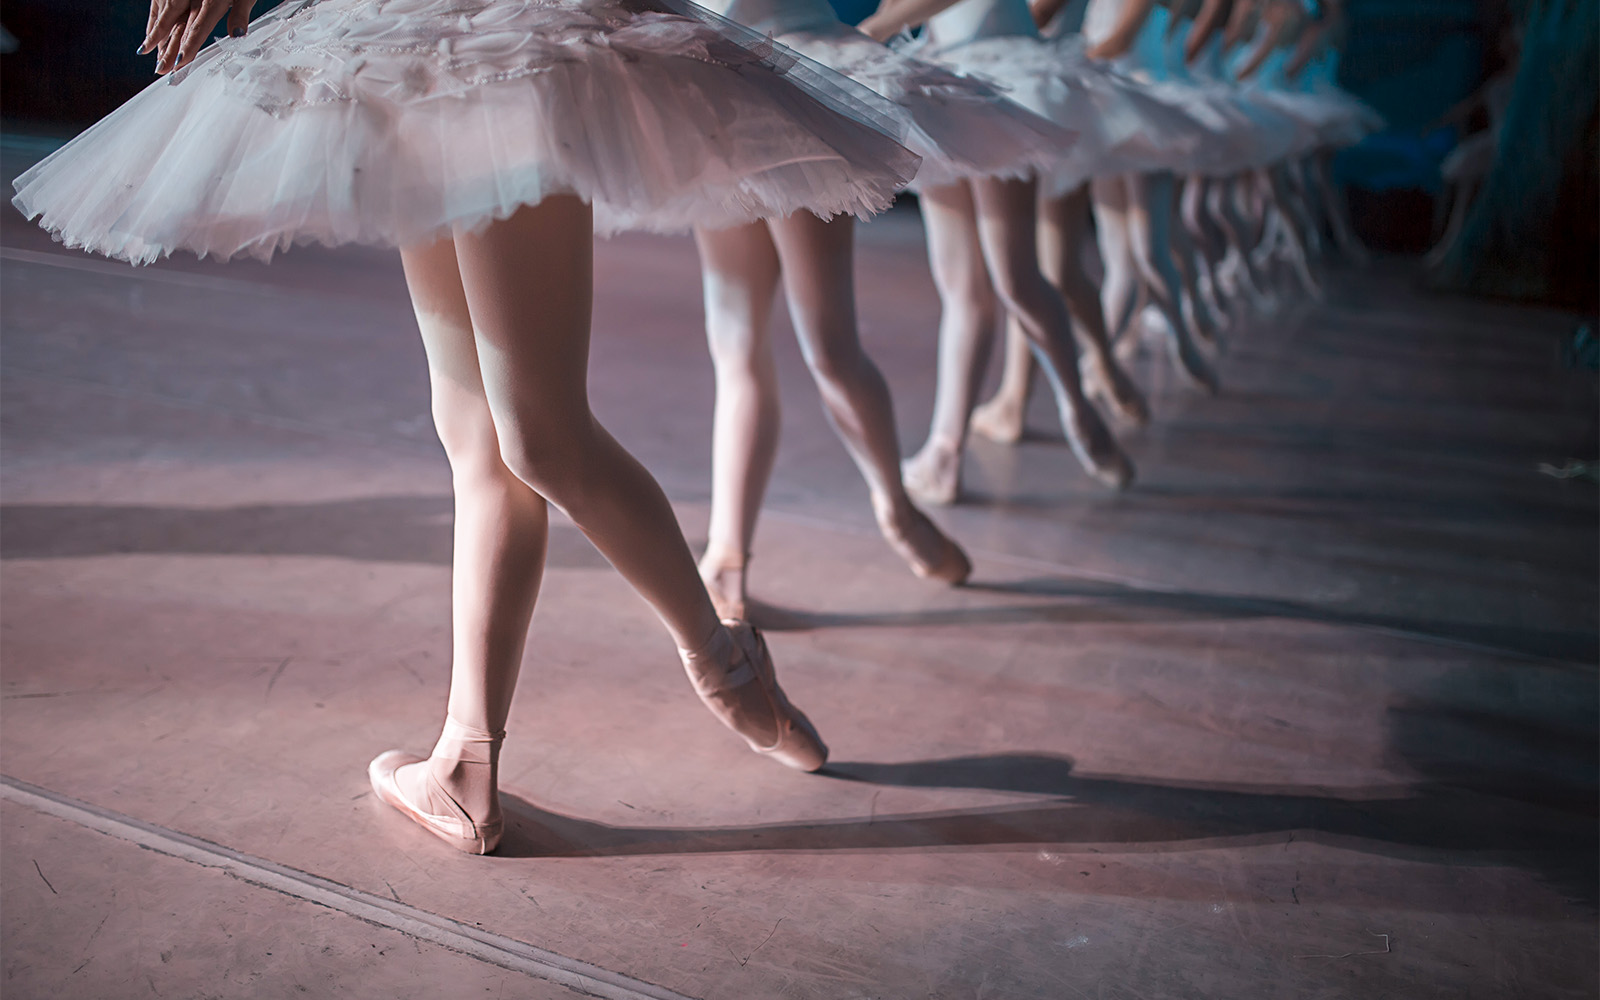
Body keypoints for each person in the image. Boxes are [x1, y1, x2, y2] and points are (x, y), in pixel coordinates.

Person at [15, 0, 925, 854]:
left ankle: (725, 665)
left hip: (508, 42)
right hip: (406, 35)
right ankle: (467, 762)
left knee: (539, 432)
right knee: (474, 432)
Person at [692, 0, 1077, 616]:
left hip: (792, 77)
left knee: (829, 347)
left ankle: (895, 507)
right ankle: (727, 559)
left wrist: (874, 28)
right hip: (708, 80)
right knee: (736, 345)